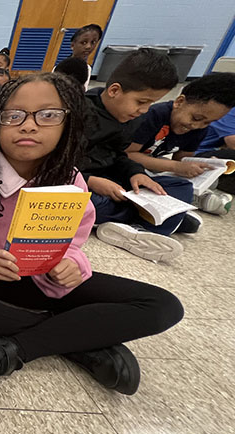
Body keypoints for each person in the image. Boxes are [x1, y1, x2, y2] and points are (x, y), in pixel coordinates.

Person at [0, 73, 183, 405]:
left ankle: (5, 347)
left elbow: (73, 241)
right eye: (14, 115)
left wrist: (72, 263)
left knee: (163, 306)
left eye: (48, 115)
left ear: (66, 125)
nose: (29, 126)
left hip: (40, 280)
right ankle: (79, 340)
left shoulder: (71, 181)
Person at [80, 48, 194, 261]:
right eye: (141, 102)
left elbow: (119, 156)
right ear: (114, 90)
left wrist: (136, 173)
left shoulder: (132, 119)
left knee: (181, 186)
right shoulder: (81, 114)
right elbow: (52, 165)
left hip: (112, 182)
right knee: (84, 204)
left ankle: (152, 219)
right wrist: (91, 181)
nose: (144, 110)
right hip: (80, 183)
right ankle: (154, 221)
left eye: (151, 103)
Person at [126, 73, 235, 173]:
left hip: (152, 160)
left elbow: (182, 159)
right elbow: (128, 154)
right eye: (196, 118)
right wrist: (175, 166)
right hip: (125, 162)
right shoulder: (154, 115)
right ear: (179, 102)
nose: (197, 126)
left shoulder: (200, 129)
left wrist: (202, 164)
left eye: (208, 122)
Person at [65, 24, 102, 91]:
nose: (88, 47)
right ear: (72, 45)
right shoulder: (61, 67)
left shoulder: (87, 68)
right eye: (84, 42)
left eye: (93, 42)